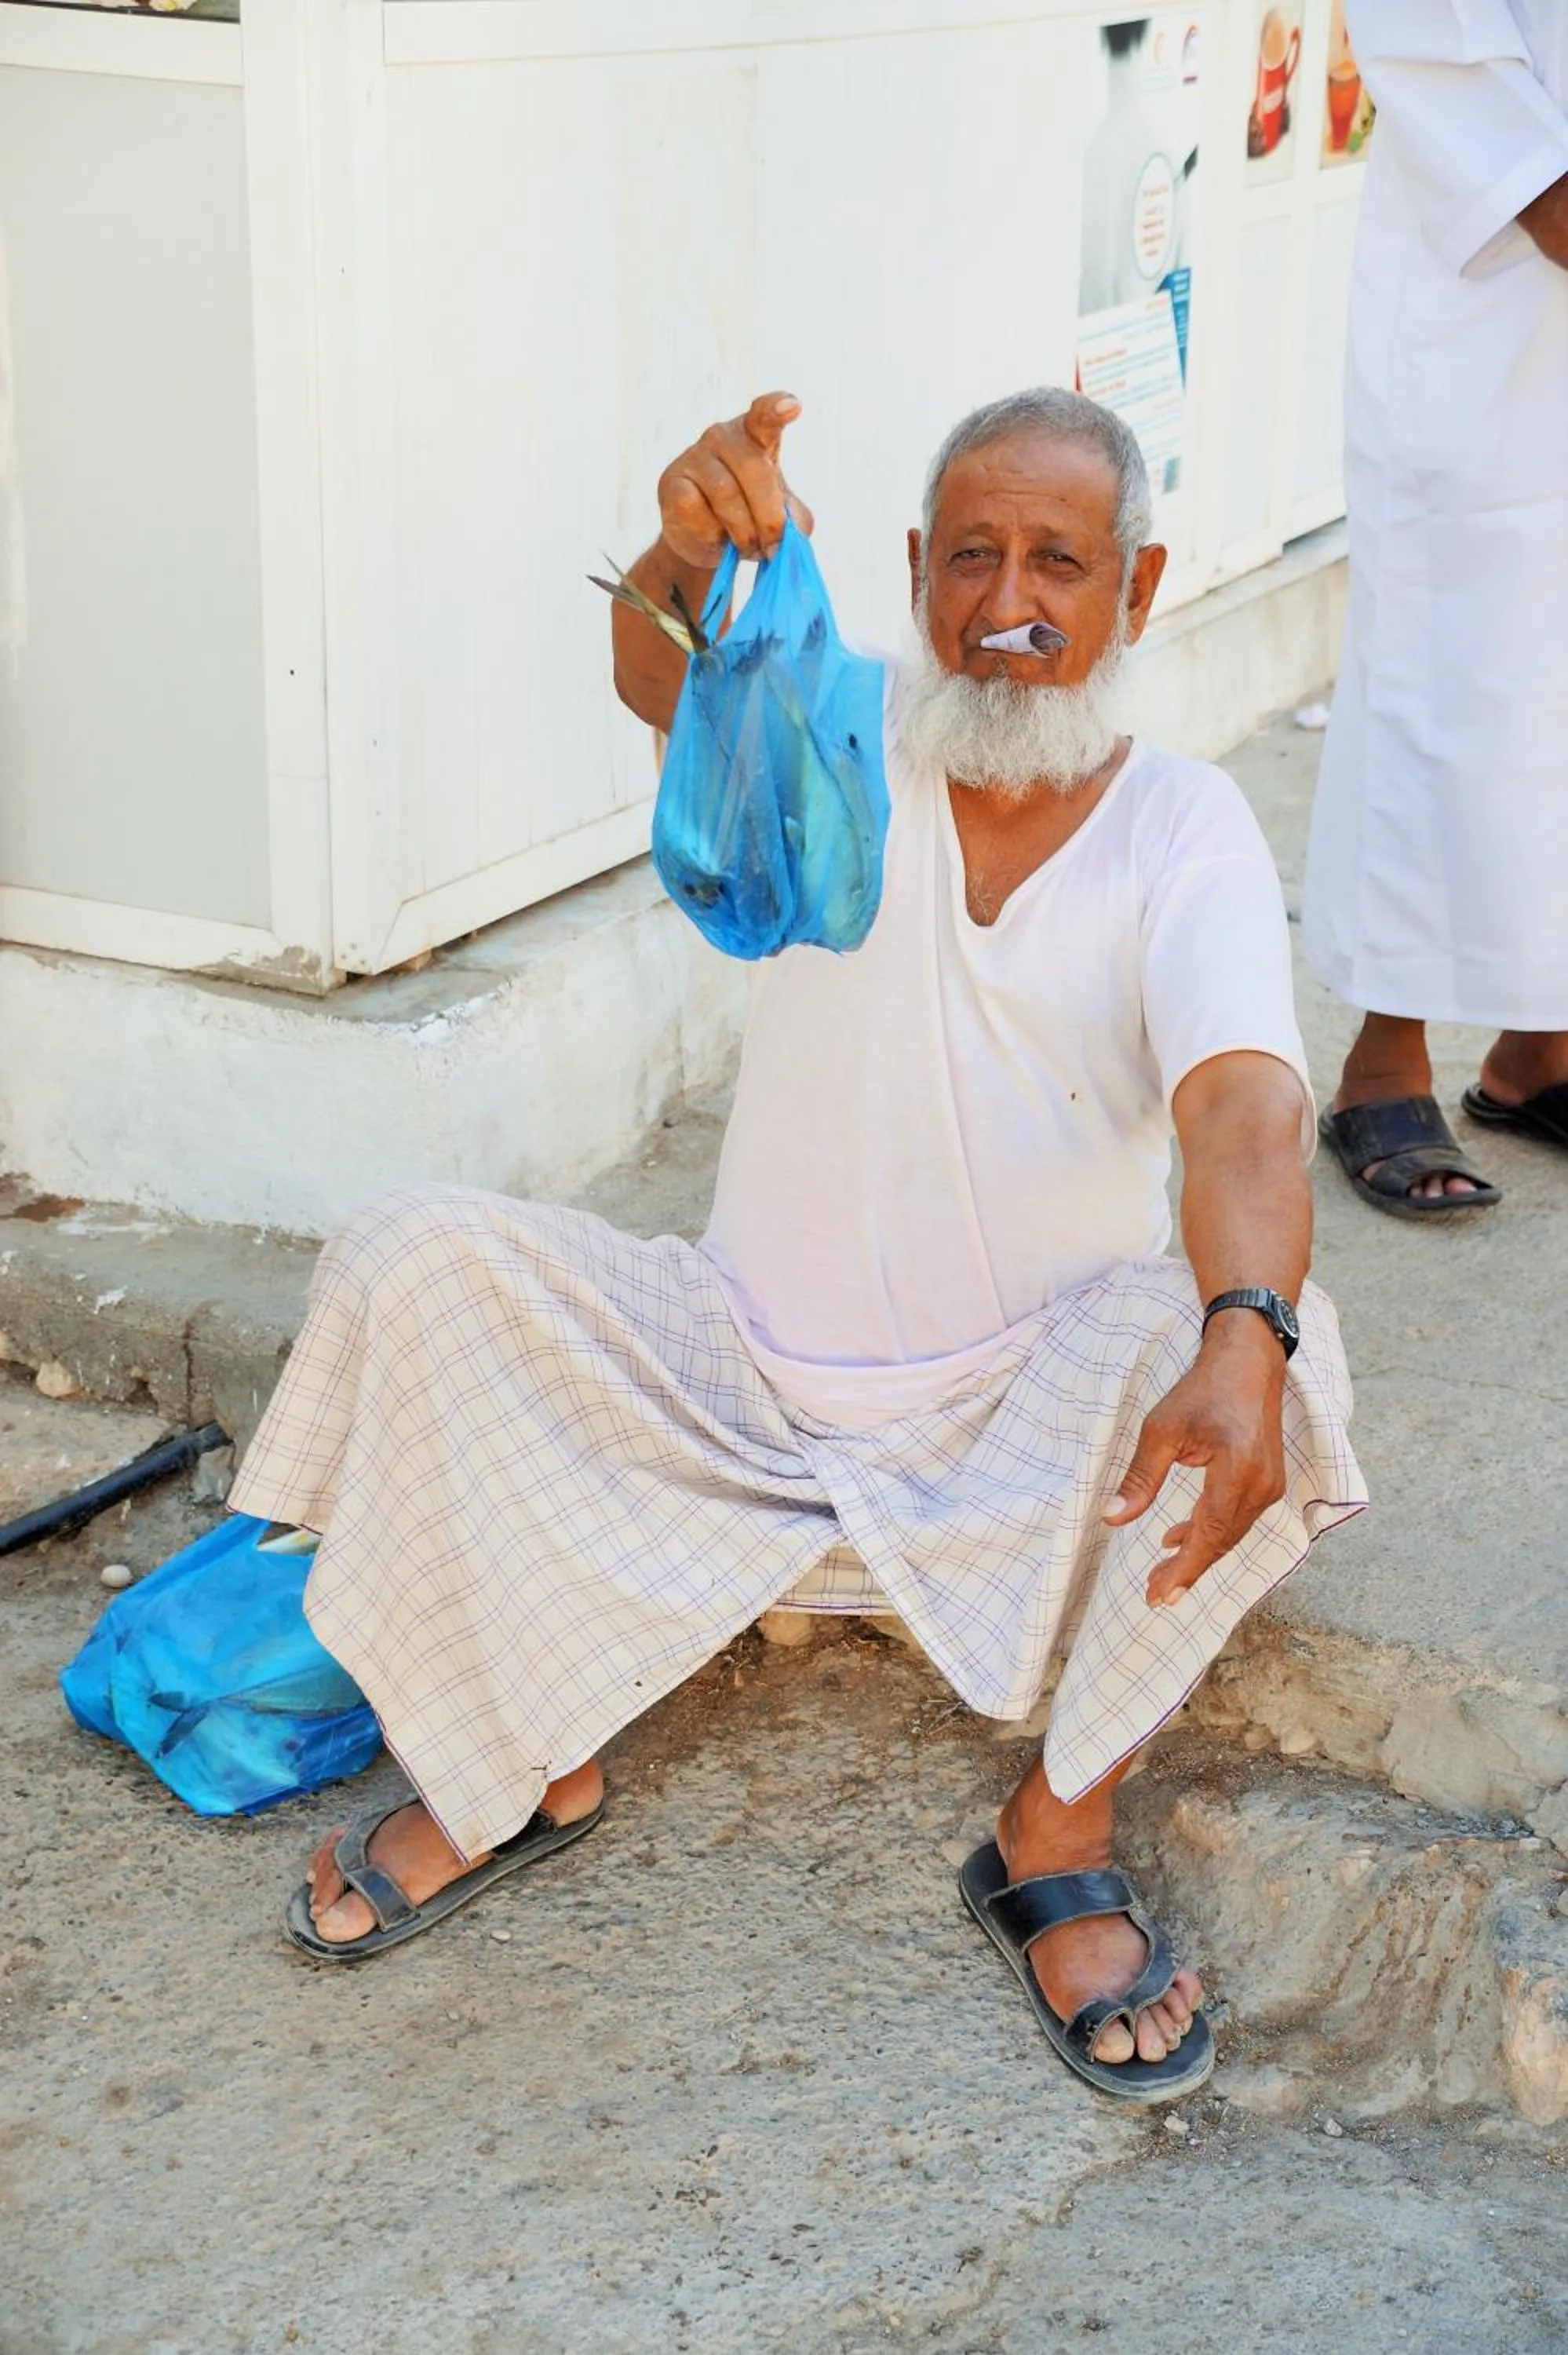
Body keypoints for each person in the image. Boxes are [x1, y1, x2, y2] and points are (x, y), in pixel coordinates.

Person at [230, 386, 1365, 2107]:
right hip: (730, 1376)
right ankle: (505, 1759)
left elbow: (1246, 1117)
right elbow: (652, 676)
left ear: (1136, 596)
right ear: (914, 574)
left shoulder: (1180, 825)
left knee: (1277, 1352)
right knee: (415, 1256)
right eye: (972, 557)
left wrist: (1244, 1328)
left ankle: (1054, 1825)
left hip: (1020, 1423)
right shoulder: (832, 731)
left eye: (1060, 563)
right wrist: (689, 547)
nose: (1010, 604)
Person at [1305, 0, 1568, 1217]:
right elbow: (1456, 70)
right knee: (1444, 683)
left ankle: (1537, 1050)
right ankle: (1381, 1059)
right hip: (1485, 313)